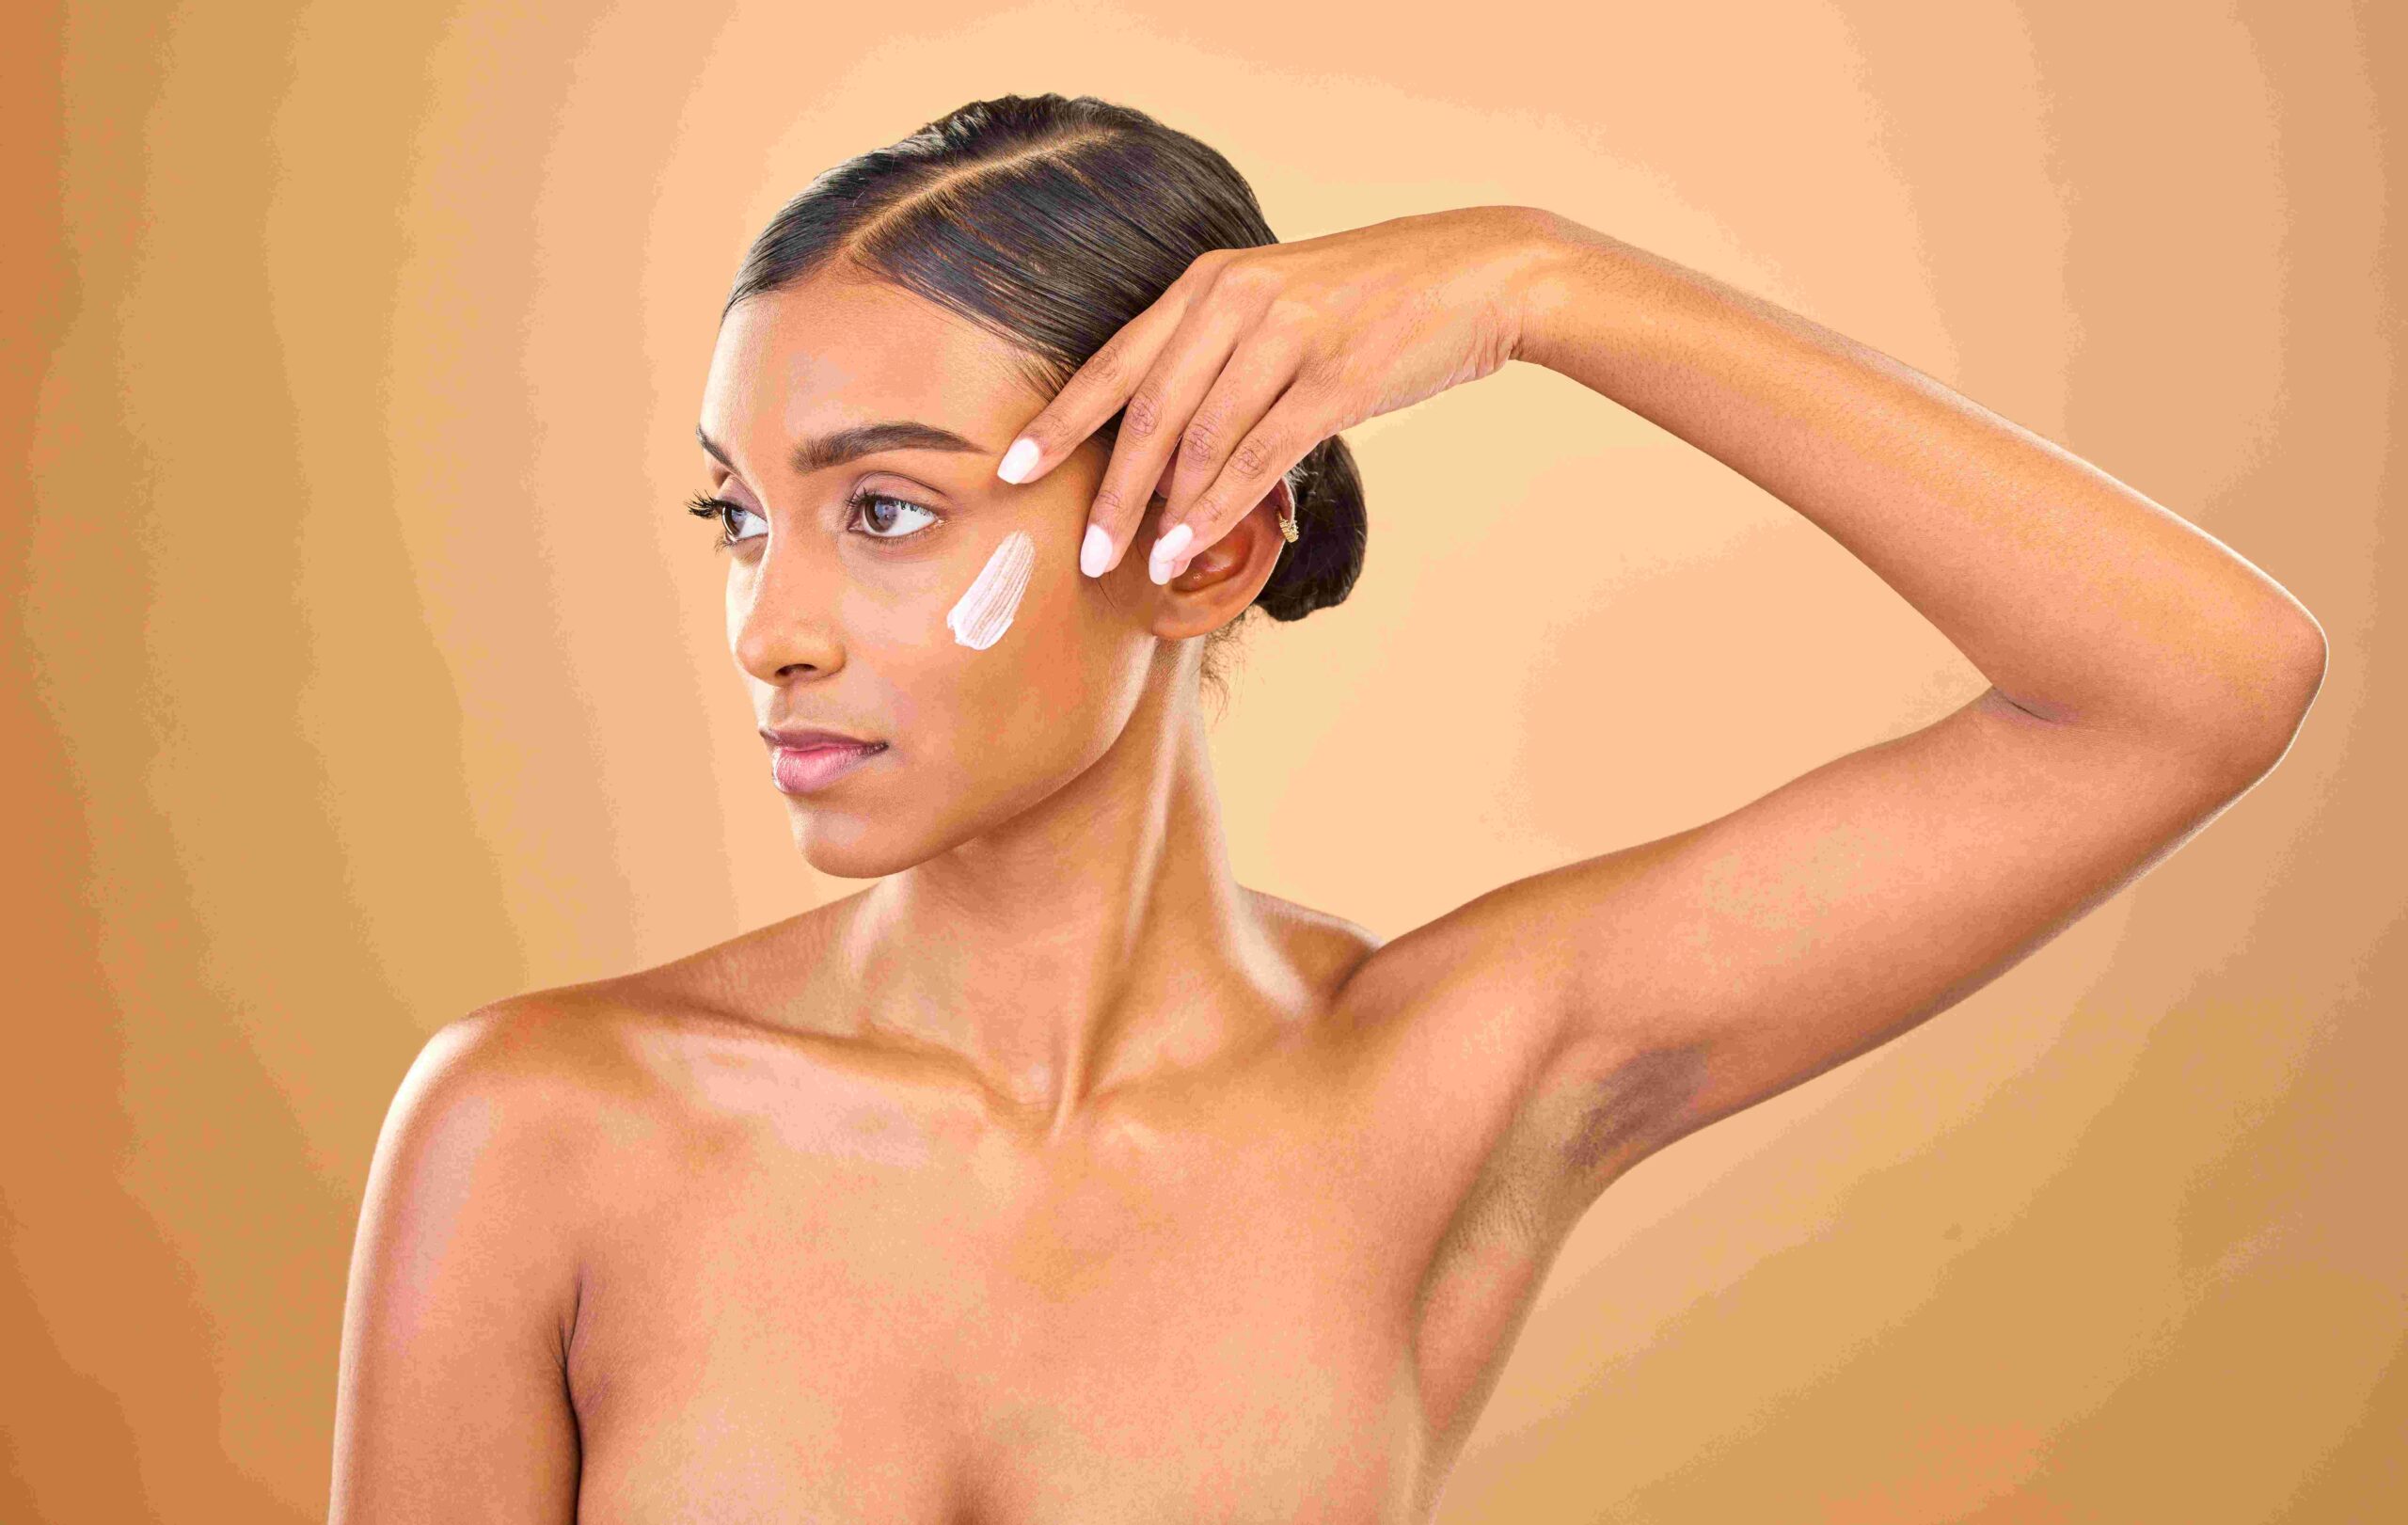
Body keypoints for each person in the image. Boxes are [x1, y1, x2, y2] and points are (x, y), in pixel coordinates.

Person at [327, 93, 2326, 1522]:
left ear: (1204, 551)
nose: (767, 626)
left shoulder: (1452, 1080)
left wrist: (1551, 285)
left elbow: (2192, 683)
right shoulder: (544, 1126)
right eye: (740, 519)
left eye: (884, 510)